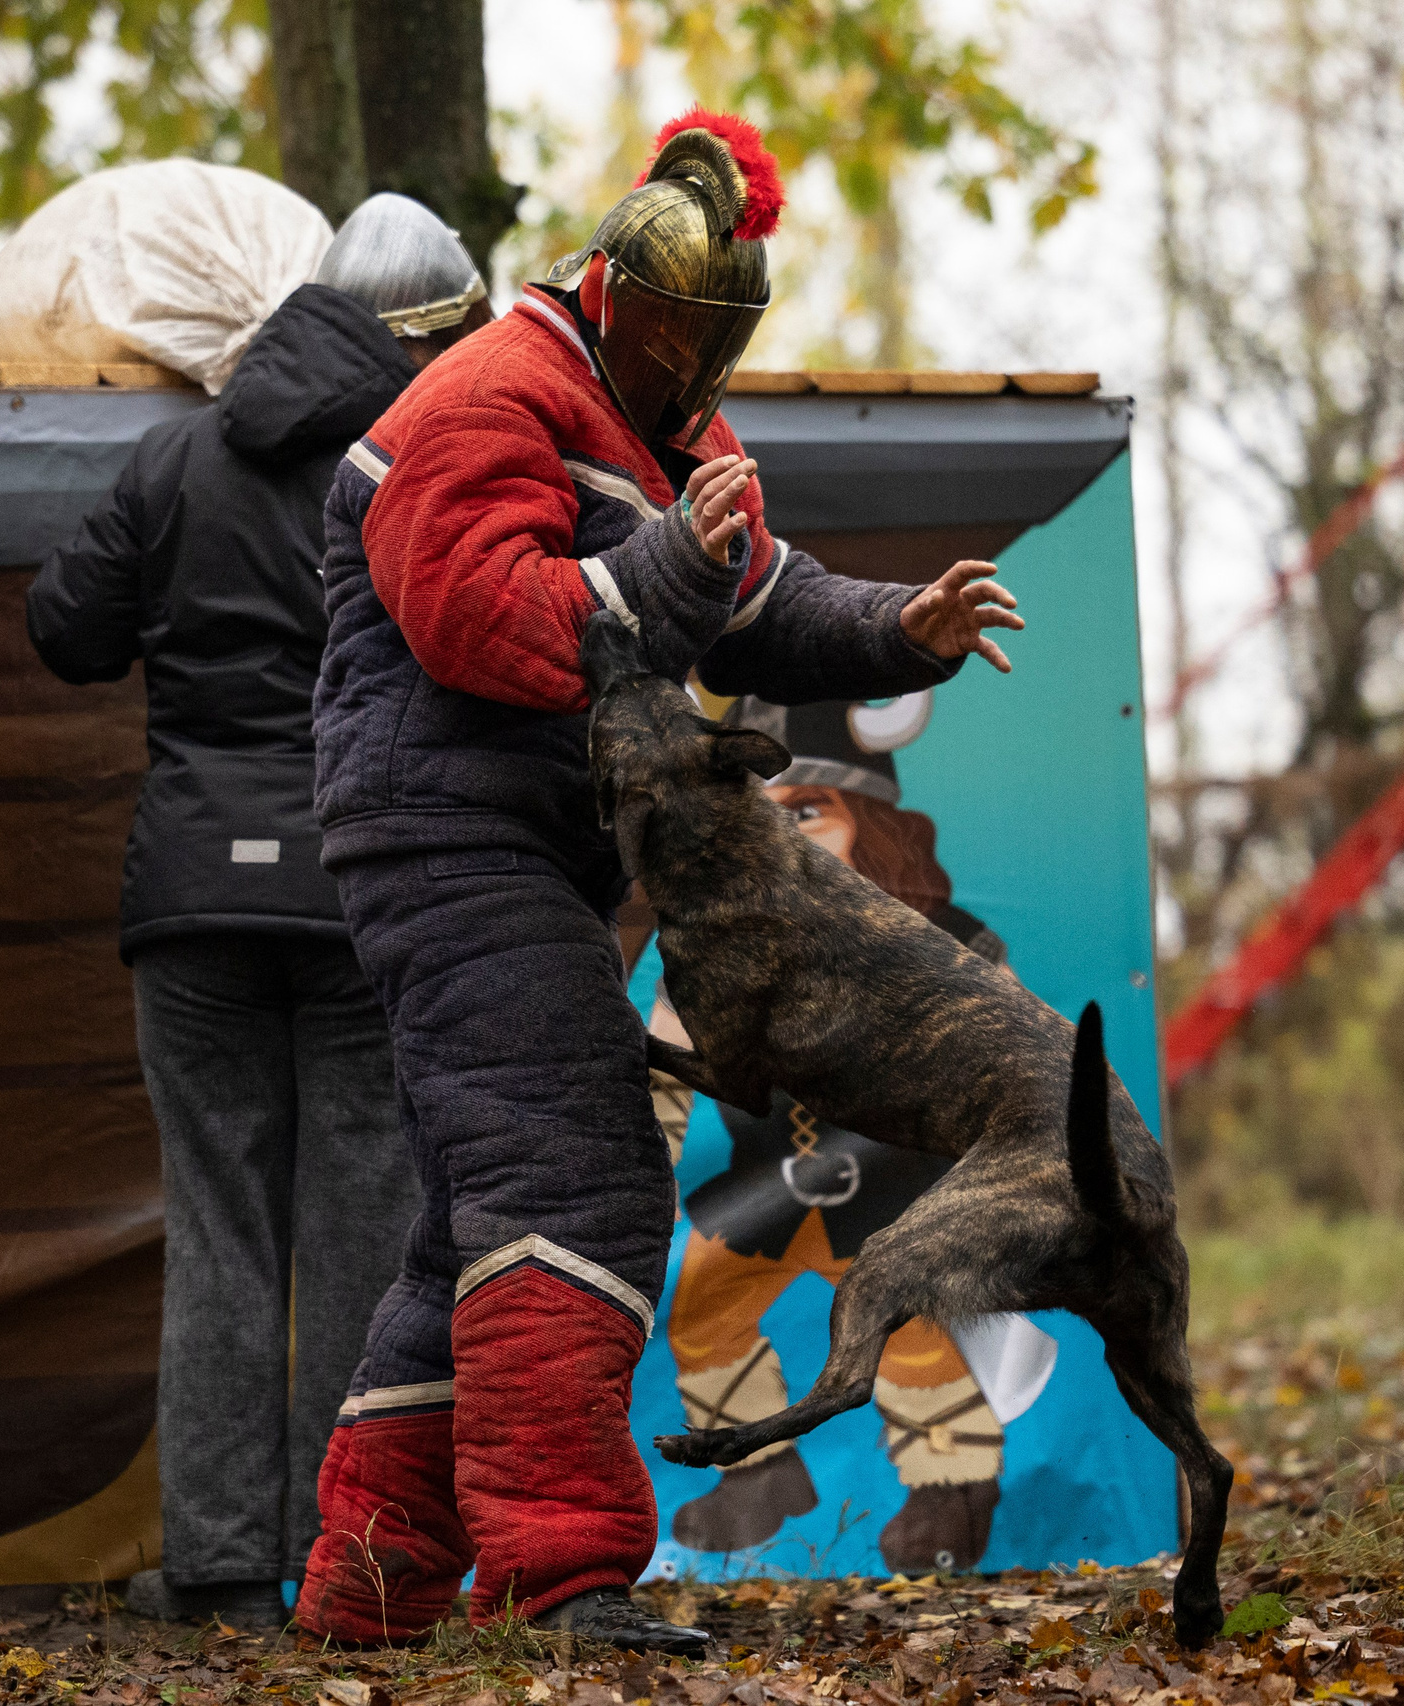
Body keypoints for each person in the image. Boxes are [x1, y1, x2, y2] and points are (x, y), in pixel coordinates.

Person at [296, 110, 1029, 1652]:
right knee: (576, 1171)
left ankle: (369, 1583)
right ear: (622, 301)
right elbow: (472, 617)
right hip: (444, 835)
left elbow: (770, 596)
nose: (701, 365)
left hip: (521, 845)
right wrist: (670, 578)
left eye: (720, 339)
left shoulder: (670, 428)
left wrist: (907, 627)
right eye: (684, 333)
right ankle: (561, 1577)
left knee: (480, 1213)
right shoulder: (489, 390)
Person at [25, 194, 495, 1630]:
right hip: (359, 891)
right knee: (367, 1230)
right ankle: (344, 1561)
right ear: (422, 334)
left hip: (188, 905)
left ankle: (219, 1564)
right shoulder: (417, 469)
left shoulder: (175, 458)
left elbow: (63, 630)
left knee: (219, 1227)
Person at [643, 694, 1055, 1575]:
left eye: (808, 814)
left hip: (895, 1204)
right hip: (756, 1197)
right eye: (762, 819)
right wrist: (642, 1162)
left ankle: (951, 1486)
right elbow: (665, 1072)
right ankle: (761, 1474)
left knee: (911, 1338)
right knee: (702, 1312)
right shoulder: (709, 948)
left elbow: (1022, 1063)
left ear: (866, 822)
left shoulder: (947, 943)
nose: (785, 838)